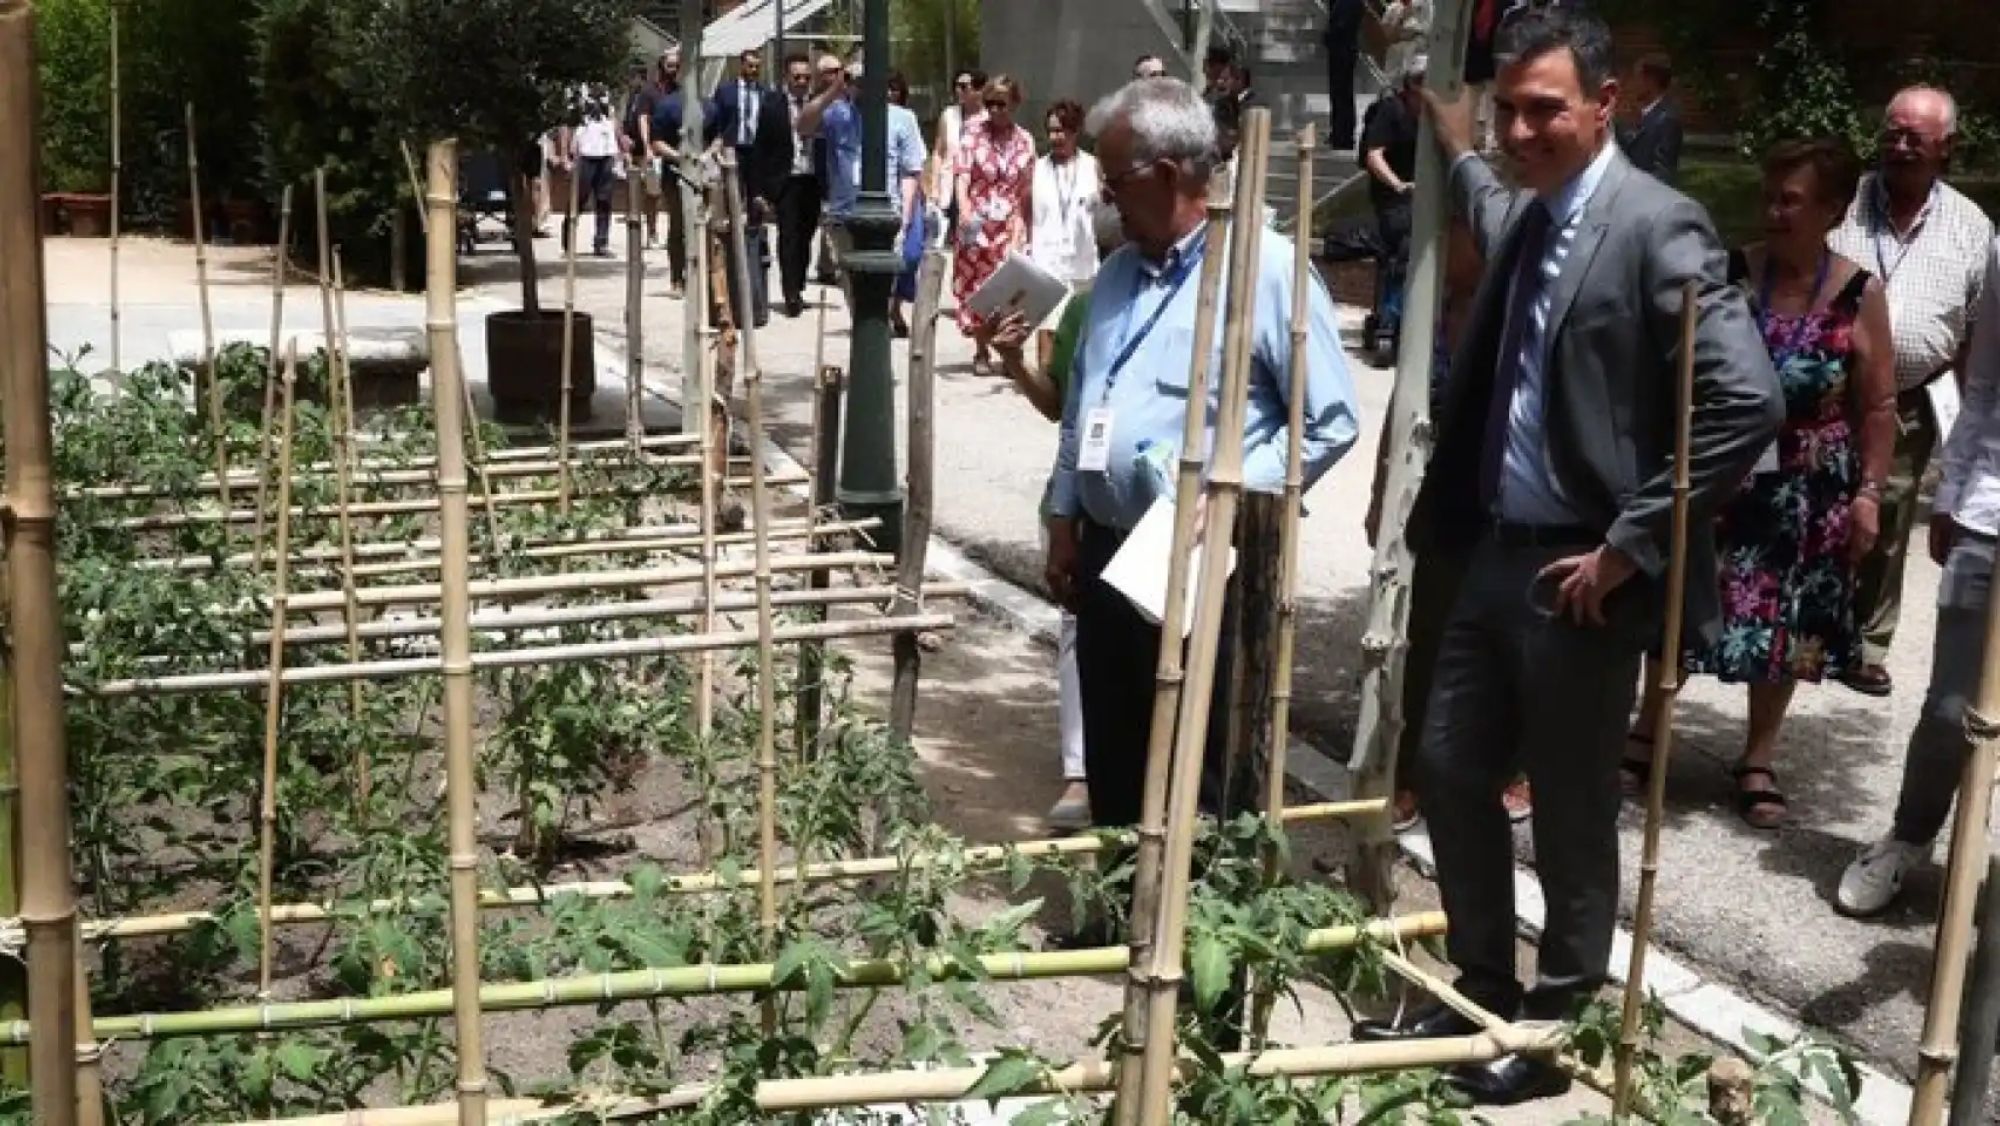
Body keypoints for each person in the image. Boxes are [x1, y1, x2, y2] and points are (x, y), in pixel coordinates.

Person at [1351, 7, 1781, 1105]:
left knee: (1576, 806)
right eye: (1508, 110)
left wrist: (1630, 545)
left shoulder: (1658, 225)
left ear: (1604, 106)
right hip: (1494, 553)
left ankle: (1556, 1019)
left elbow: (1743, 404)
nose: (1523, 128)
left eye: (1545, 108)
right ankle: (1484, 985)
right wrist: (1451, 137)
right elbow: (1489, 196)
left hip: (1585, 580)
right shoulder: (1530, 211)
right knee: (1446, 766)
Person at [1046, 76, 1359, 836]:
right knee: (1116, 746)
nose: (1108, 201)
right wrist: (1061, 516)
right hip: (1107, 553)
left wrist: (1227, 492)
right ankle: (1119, 909)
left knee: (1201, 750)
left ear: (1164, 173)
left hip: (1202, 559)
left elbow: (1328, 421)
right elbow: (1085, 403)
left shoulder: (1269, 270)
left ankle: (1190, 925)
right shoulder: (1118, 273)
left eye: (1116, 182)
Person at [1627, 138, 1896, 830]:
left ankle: (1758, 758)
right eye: (1769, 196)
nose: (1774, 211)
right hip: (1721, 472)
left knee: (1788, 623)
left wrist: (1869, 493)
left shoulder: (1862, 294)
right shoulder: (1732, 274)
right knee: (1681, 602)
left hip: (1810, 490)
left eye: (1791, 200)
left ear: (1832, 210)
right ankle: (1648, 725)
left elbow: (1878, 406)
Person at [1838, 237, 2000, 916]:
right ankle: (1909, 838)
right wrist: (1955, 493)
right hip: (1990, 518)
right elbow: (1984, 382)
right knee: (1947, 708)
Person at [1827, 85, 1995, 698]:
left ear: (1945, 149)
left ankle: (1867, 643)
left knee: (1888, 519)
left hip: (1910, 400)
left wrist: (1967, 425)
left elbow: (1976, 330)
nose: (1898, 146)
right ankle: (1805, 632)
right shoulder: (1842, 198)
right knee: (1808, 503)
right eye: (1891, 133)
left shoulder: (1971, 228)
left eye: (1913, 138)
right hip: (1824, 391)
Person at [978, 201, 1130, 831]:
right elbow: (1060, 407)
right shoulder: (1088, 306)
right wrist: (1013, 361)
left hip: (1161, 507)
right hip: (1081, 501)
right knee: (1078, 631)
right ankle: (1081, 771)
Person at [953, 75, 1035, 376]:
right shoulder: (972, 135)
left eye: (1001, 104)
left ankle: (1011, 349)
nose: (995, 110)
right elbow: (961, 176)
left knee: (1011, 287)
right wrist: (964, 211)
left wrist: (1027, 226)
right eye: (989, 104)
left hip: (1010, 222)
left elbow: (1026, 188)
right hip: (977, 220)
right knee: (977, 289)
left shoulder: (1025, 140)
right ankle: (981, 349)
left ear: (1014, 103)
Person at [709, 48, 795, 328]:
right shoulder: (726, 92)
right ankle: (732, 230)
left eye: (758, 66)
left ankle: (753, 234)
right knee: (731, 193)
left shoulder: (768, 94)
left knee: (755, 195)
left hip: (757, 151)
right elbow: (716, 121)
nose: (754, 70)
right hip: (735, 147)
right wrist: (718, 145)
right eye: (749, 66)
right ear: (741, 66)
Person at [1362, 55, 1424, 354]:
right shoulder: (1391, 111)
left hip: (1424, 199)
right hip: (1393, 199)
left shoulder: (1432, 116)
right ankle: (1389, 319)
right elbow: (1374, 155)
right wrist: (1398, 184)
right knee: (1402, 247)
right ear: (1412, 85)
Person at [1028, 99, 1102, 289]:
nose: (1055, 137)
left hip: (1083, 267)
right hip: (1045, 266)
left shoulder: (1092, 166)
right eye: (1051, 131)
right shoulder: (1036, 170)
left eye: (1061, 131)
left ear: (1075, 131)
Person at [648, 50, 700, 297]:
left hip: (703, 175)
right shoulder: (668, 105)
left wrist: (708, 154)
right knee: (678, 227)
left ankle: (700, 276)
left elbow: (720, 135)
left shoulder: (708, 104)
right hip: (675, 174)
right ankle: (677, 278)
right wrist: (679, 157)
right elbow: (656, 142)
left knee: (701, 227)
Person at [776, 53, 824, 318]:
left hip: (812, 178)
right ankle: (790, 291)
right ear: (787, 78)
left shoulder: (818, 105)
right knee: (789, 236)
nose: (802, 82)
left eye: (806, 77)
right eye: (797, 77)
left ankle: (799, 284)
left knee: (806, 235)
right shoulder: (774, 104)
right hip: (787, 179)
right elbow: (764, 148)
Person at [886, 71, 932, 338]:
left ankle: (896, 305)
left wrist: (925, 197)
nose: (891, 93)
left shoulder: (907, 119)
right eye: (887, 88)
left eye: (895, 89)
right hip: (882, 198)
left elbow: (917, 165)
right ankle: (886, 310)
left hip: (910, 198)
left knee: (911, 255)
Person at [555, 83, 620, 258]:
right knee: (577, 200)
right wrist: (564, 155)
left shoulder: (608, 97)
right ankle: (568, 244)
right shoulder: (577, 97)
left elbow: (614, 123)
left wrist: (619, 152)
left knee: (604, 201)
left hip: (606, 154)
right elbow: (566, 126)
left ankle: (601, 242)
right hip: (584, 155)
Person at [933, 69, 989, 247]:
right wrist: (934, 186)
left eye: (964, 87)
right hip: (948, 187)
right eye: (956, 86)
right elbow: (938, 152)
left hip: (974, 191)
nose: (959, 91)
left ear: (979, 90)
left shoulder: (987, 118)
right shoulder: (949, 115)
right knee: (945, 243)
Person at [1617, 52, 1684, 186]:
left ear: (1650, 81)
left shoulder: (1667, 120)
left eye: (1637, 78)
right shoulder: (1642, 114)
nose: (1633, 84)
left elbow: (1663, 172)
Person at [621, 60, 661, 247]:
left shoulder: (652, 94)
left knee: (651, 191)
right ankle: (635, 229)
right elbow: (627, 120)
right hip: (633, 149)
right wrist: (624, 139)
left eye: (632, 77)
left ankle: (652, 231)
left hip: (649, 150)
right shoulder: (632, 97)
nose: (629, 81)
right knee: (634, 190)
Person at [1322, 0, 1365, 152]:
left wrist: (1328, 36)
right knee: (1337, 94)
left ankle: (1343, 135)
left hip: (1344, 50)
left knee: (1342, 94)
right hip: (1338, 50)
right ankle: (1338, 132)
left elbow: (1341, 26)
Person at [1380, 0, 1430, 89]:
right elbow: (1388, 36)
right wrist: (1401, 19)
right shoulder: (1392, 8)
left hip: (1416, 69)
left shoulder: (1425, 9)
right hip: (1394, 70)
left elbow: (1426, 36)